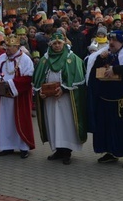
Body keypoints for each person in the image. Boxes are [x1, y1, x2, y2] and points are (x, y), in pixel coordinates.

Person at [85, 30, 123, 168]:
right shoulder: (107, 52)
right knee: (108, 127)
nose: (111, 43)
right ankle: (111, 152)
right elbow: (92, 64)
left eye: (114, 40)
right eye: (110, 39)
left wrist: (116, 69)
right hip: (107, 99)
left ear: (122, 41)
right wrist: (100, 58)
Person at [32, 32, 87, 165]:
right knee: (53, 123)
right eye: (54, 43)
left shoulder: (72, 58)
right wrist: (41, 92)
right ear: (50, 44)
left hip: (66, 100)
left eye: (59, 43)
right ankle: (58, 149)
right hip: (50, 100)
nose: (57, 46)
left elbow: (77, 79)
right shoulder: (45, 59)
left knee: (65, 124)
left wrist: (63, 89)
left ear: (64, 43)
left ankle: (67, 151)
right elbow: (38, 79)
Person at [0, 34, 35, 158]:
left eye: (10, 47)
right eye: (6, 46)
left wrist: (10, 84)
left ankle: (23, 147)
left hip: (18, 97)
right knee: (5, 121)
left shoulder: (25, 60)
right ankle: (6, 146)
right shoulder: (1, 58)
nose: (7, 49)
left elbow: (28, 78)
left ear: (17, 47)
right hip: (4, 98)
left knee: (20, 120)